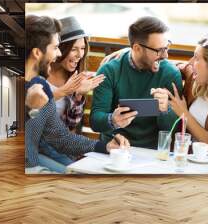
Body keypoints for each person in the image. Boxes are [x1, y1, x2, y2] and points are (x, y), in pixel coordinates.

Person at [24, 15, 130, 174]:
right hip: (33, 158)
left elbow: (61, 136)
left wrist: (106, 146)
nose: (58, 53)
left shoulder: (43, 84)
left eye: (82, 48)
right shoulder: (35, 84)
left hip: (52, 149)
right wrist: (60, 93)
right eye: (55, 47)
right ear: (38, 53)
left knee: (79, 172)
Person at [90, 16, 183, 149]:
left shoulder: (170, 74)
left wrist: (165, 110)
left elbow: (172, 129)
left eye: (166, 47)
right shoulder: (110, 70)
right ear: (137, 48)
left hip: (152, 152)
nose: (165, 55)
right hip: (116, 148)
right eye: (159, 50)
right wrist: (112, 120)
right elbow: (95, 121)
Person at [47, 16, 105, 132]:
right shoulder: (40, 75)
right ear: (60, 49)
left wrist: (78, 95)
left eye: (83, 48)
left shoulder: (74, 78)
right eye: (74, 49)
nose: (80, 55)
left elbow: (70, 126)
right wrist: (63, 91)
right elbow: (32, 112)